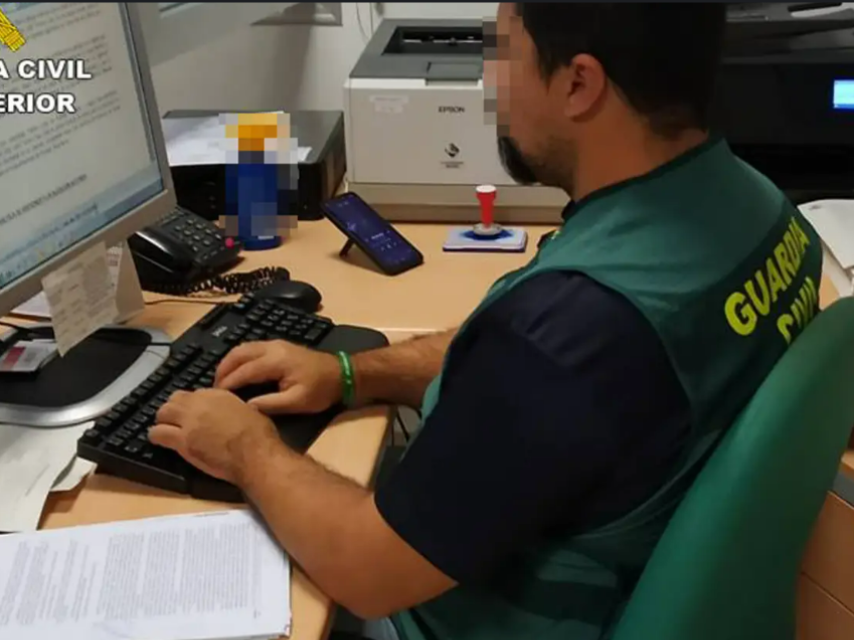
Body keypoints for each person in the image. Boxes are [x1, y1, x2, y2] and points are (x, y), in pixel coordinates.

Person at [150, 4, 824, 640]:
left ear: (579, 84)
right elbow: (533, 386)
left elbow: (369, 570)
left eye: (504, 53)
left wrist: (245, 447)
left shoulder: (566, 335)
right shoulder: (760, 210)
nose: (490, 83)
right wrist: (352, 373)